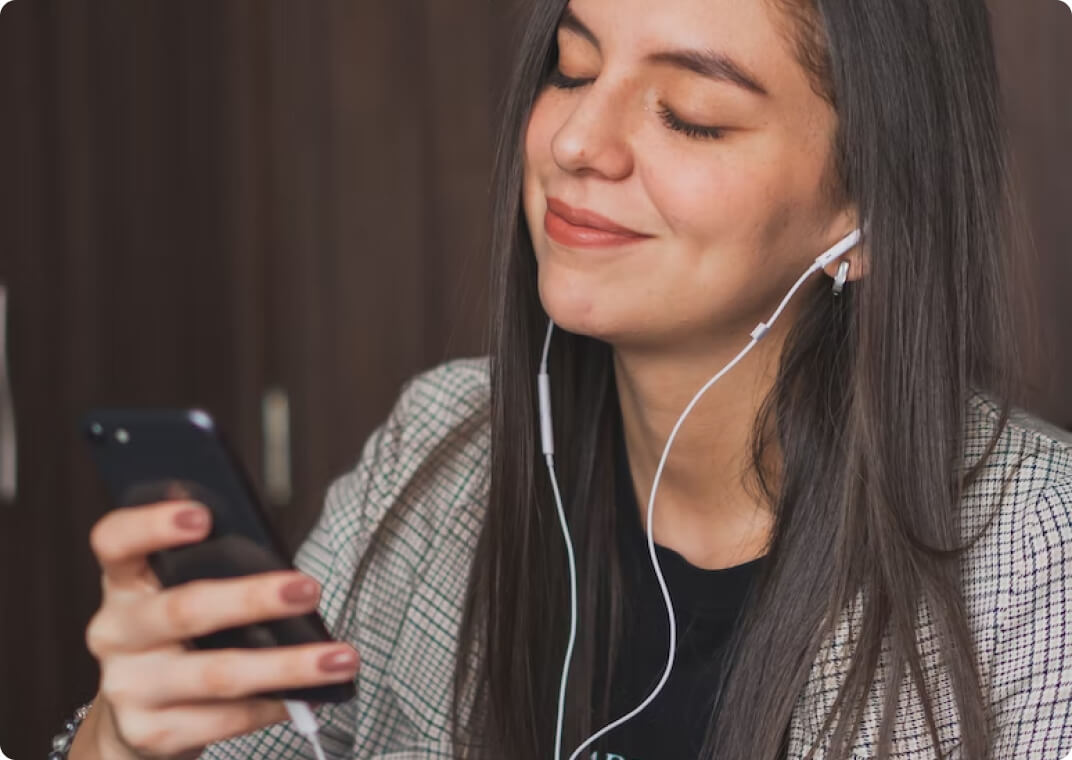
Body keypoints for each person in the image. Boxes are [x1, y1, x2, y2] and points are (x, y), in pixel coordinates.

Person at [64, 0, 1072, 758]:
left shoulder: (1038, 558)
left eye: (690, 115)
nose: (577, 143)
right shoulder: (441, 448)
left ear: (867, 217)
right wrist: (123, 738)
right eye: (570, 67)